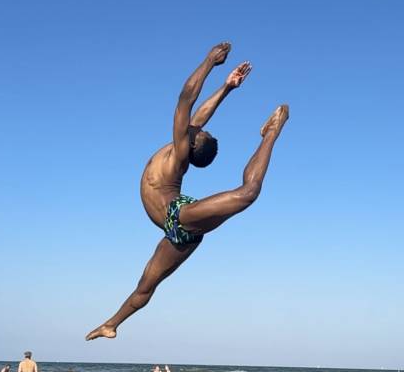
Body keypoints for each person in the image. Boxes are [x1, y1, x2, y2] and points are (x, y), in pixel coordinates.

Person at [86, 42, 288, 341]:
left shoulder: (179, 153)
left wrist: (209, 61)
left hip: (180, 215)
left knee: (248, 193)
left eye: (200, 132)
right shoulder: (182, 146)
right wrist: (227, 88)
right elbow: (200, 115)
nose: (200, 126)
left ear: (191, 145)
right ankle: (111, 324)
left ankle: (271, 132)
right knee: (146, 285)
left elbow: (186, 99)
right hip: (179, 231)